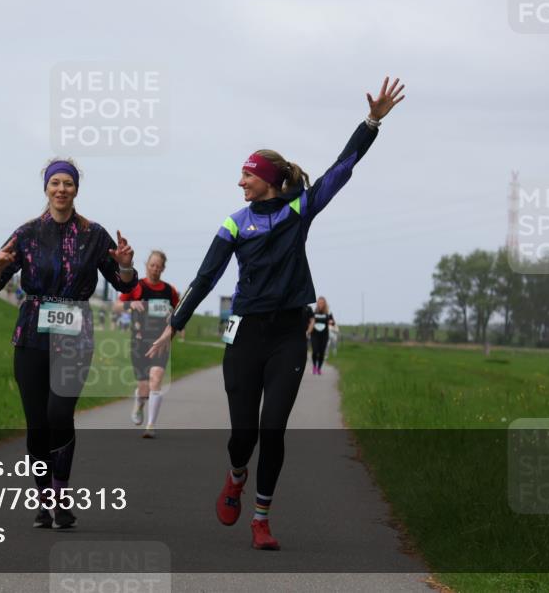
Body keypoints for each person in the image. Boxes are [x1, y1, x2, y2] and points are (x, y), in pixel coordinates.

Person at [148, 77, 404, 550]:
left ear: (267, 178)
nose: (240, 181)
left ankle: (261, 519)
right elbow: (205, 277)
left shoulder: (299, 210)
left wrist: (371, 123)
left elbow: (339, 171)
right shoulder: (233, 223)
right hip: (244, 334)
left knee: (274, 427)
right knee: (243, 433)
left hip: (288, 334)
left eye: (246, 174)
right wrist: (174, 325)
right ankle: (236, 474)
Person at [0, 158, 137, 529]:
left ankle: (61, 495)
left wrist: (127, 265)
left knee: (58, 414)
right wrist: (1, 266)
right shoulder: (28, 233)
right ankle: (43, 497)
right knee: (36, 424)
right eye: (56, 183)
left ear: (76, 189)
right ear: (46, 188)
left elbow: (124, 285)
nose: (62, 189)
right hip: (32, 334)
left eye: (68, 183)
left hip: (75, 335)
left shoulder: (94, 235)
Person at [113, 250, 179, 438]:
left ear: (163, 268)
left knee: (156, 379)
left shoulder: (169, 291)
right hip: (139, 342)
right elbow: (116, 306)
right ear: (146, 265)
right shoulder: (137, 286)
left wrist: (173, 316)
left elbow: (180, 310)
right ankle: (139, 403)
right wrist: (130, 305)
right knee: (144, 388)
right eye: (152, 265)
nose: (155, 269)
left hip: (160, 343)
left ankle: (151, 425)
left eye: (159, 266)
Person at [307, 297, 335, 375]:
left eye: (322, 303)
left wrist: (331, 322)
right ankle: (314, 367)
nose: (320, 304)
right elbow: (309, 320)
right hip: (314, 335)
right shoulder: (313, 312)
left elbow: (333, 323)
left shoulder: (328, 313)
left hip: (324, 335)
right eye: (319, 303)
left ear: (324, 304)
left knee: (322, 352)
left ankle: (319, 368)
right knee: (315, 351)